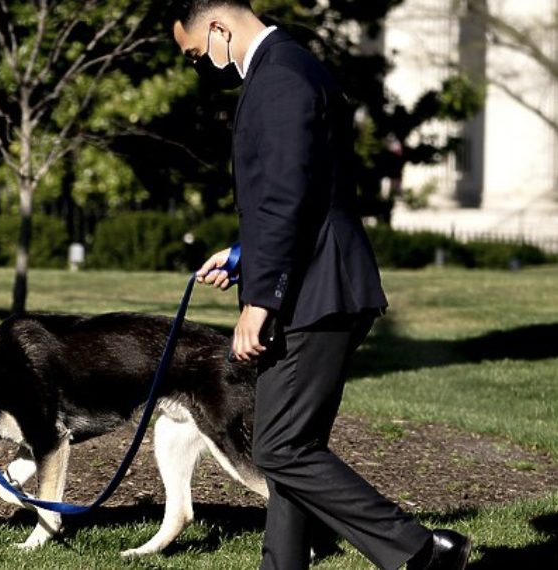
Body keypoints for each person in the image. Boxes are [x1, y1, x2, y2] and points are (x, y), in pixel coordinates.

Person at [169, 2, 472, 569]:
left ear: (217, 28)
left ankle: (421, 551)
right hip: (317, 283)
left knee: (279, 447)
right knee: (292, 448)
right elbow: (304, 194)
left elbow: (287, 199)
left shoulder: (280, 76)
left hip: (318, 293)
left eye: (193, 56)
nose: (198, 68)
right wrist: (244, 255)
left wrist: (259, 302)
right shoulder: (287, 67)